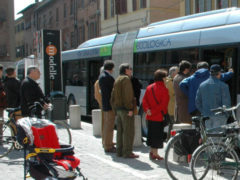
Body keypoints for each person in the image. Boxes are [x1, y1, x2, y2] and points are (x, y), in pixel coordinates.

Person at [111, 63, 139, 158]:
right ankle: (127, 152)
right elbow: (128, 95)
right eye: (130, 69)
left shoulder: (117, 79)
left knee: (120, 131)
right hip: (126, 109)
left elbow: (112, 96)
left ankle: (119, 151)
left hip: (118, 109)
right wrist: (130, 108)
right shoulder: (126, 79)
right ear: (126, 70)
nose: (131, 71)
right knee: (128, 131)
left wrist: (114, 109)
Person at [142, 69, 169, 160]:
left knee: (151, 134)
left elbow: (144, 100)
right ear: (162, 78)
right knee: (157, 136)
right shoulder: (164, 89)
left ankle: (151, 152)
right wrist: (153, 111)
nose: (166, 79)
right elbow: (163, 105)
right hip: (158, 116)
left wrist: (147, 110)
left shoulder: (149, 87)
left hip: (149, 116)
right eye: (165, 77)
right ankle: (155, 154)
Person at [196, 64, 231, 129]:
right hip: (220, 117)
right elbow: (226, 104)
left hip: (206, 116)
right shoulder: (224, 86)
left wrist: (204, 112)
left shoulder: (202, 85)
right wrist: (227, 115)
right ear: (219, 73)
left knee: (209, 137)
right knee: (218, 137)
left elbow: (197, 102)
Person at [99, 60, 116, 153]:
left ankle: (106, 142)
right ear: (111, 68)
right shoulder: (108, 78)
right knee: (109, 126)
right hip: (110, 105)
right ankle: (108, 146)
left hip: (105, 104)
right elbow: (112, 93)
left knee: (106, 125)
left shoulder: (102, 76)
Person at [165, 66, 179, 140]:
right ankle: (172, 141)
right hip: (171, 107)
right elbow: (174, 93)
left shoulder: (170, 81)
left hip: (172, 107)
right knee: (174, 125)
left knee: (171, 125)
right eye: (177, 72)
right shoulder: (169, 82)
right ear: (173, 73)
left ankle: (169, 140)